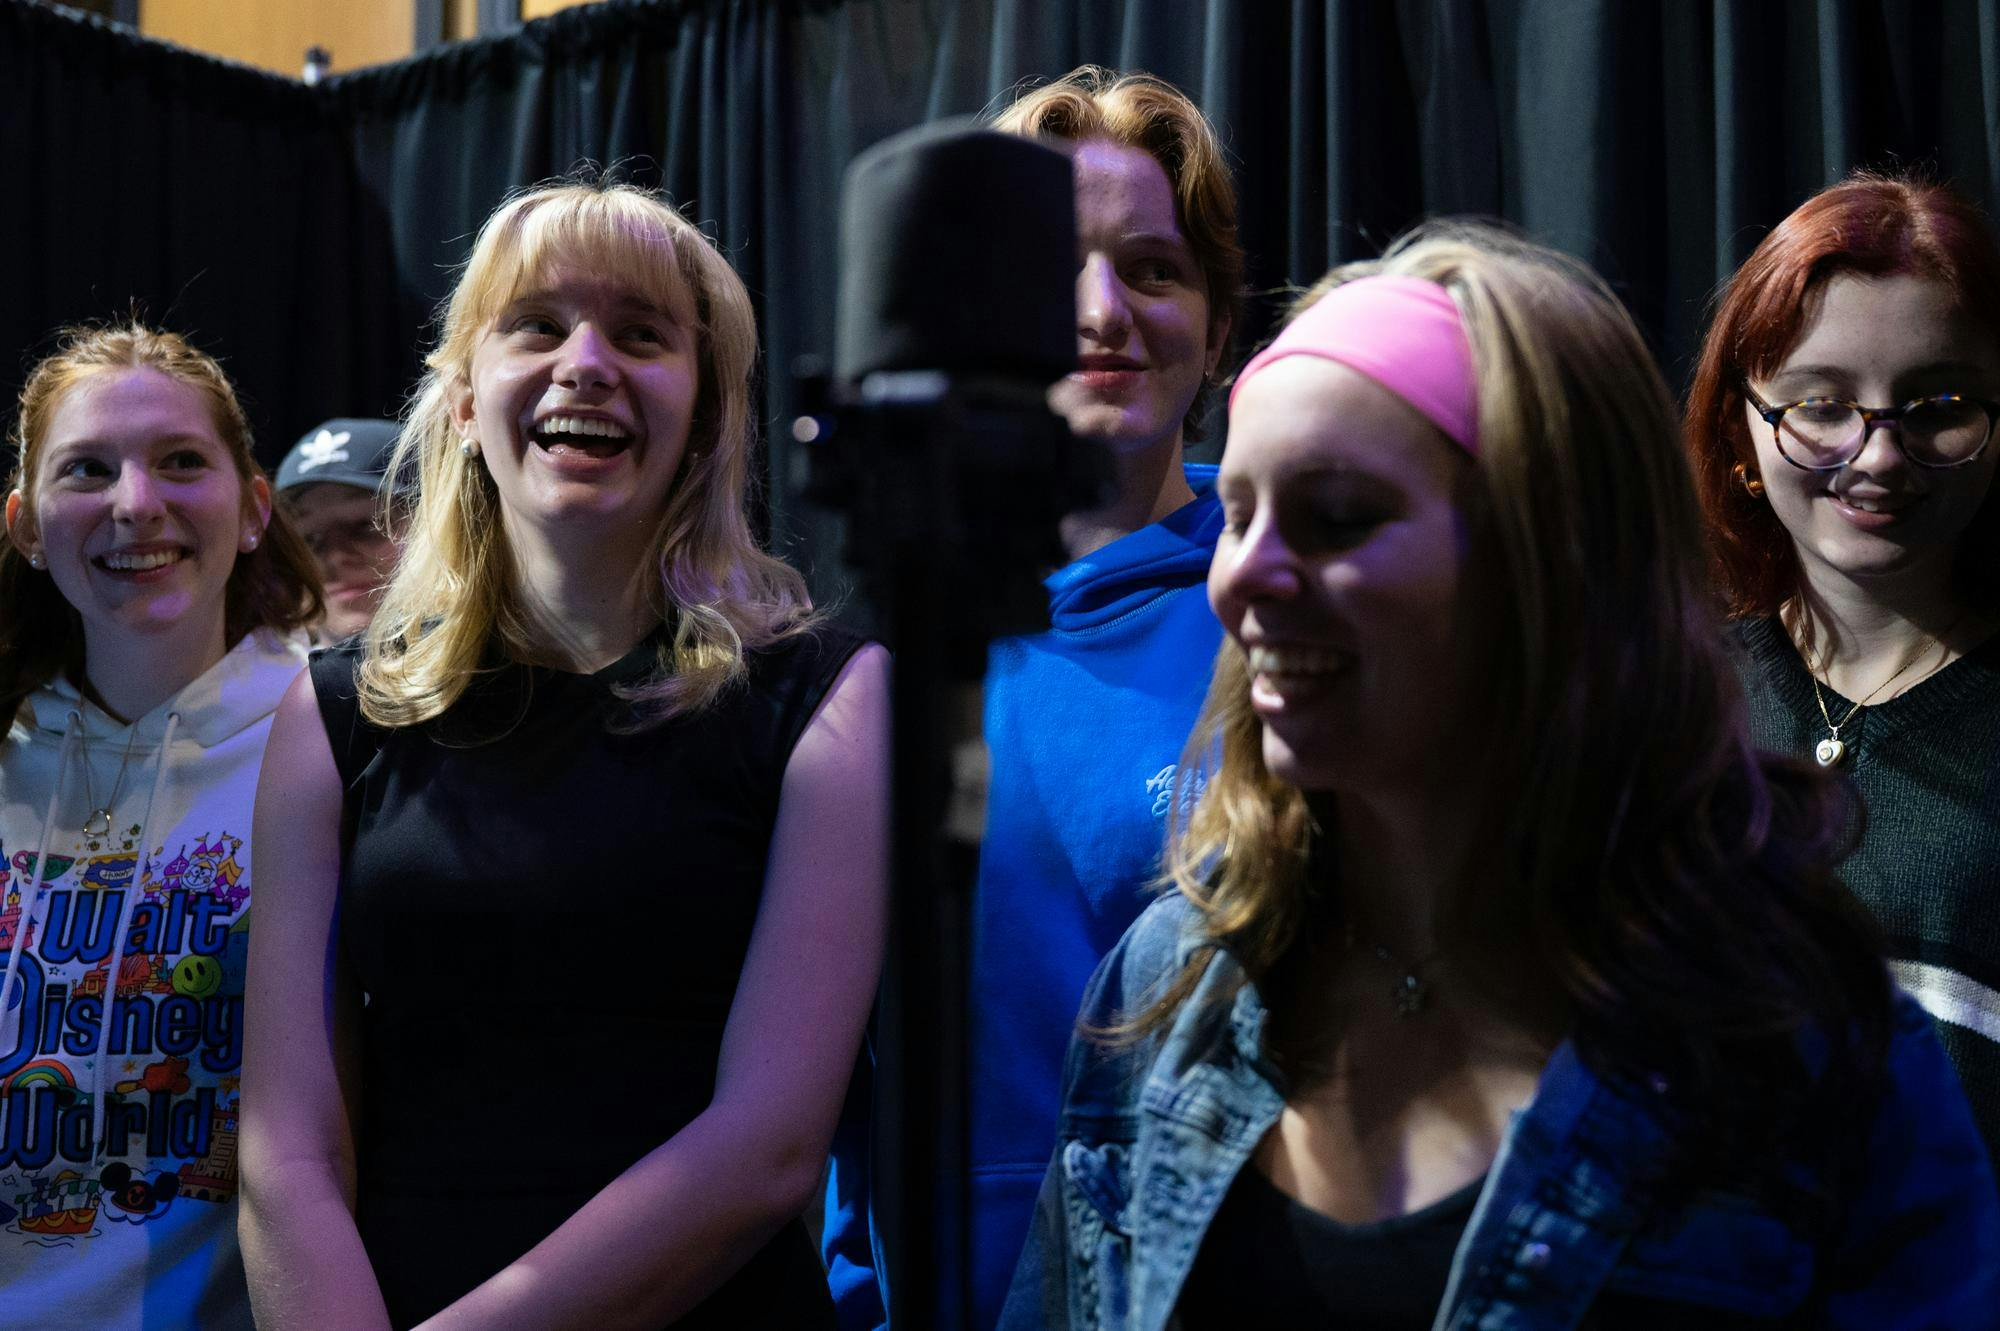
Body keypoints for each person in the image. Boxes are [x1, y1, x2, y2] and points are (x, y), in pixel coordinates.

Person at [1002, 226, 1999, 1329]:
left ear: (1545, 562)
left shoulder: (1804, 1048)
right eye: (1237, 513)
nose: (1243, 581)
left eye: (1334, 517)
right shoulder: (1170, 984)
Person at [238, 180, 890, 1330]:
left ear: (705, 410)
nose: (587, 362)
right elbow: (286, 1149)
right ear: (461, 399)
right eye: (537, 326)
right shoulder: (334, 714)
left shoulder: (825, 698)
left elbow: (770, 1148)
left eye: (640, 334)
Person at [819, 66, 1245, 1330]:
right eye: (1053, 267)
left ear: (1217, 327)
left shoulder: (1288, 618)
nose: (1100, 311)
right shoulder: (877, 669)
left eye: (1152, 269)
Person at [0, 323, 319, 1329]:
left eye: (181, 461)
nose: (136, 504)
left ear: (254, 507)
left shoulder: (335, 746)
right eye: (87, 469)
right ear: (25, 524)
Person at [1685, 173, 2000, 1167]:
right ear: (1740, 428)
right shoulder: (1666, 704)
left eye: (1934, 404)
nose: (1876, 455)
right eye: (1820, 403)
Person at [274, 417, 403, 642]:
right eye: (309, 539)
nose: (335, 557)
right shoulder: (260, 675)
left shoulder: (483, 669)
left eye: (366, 525)